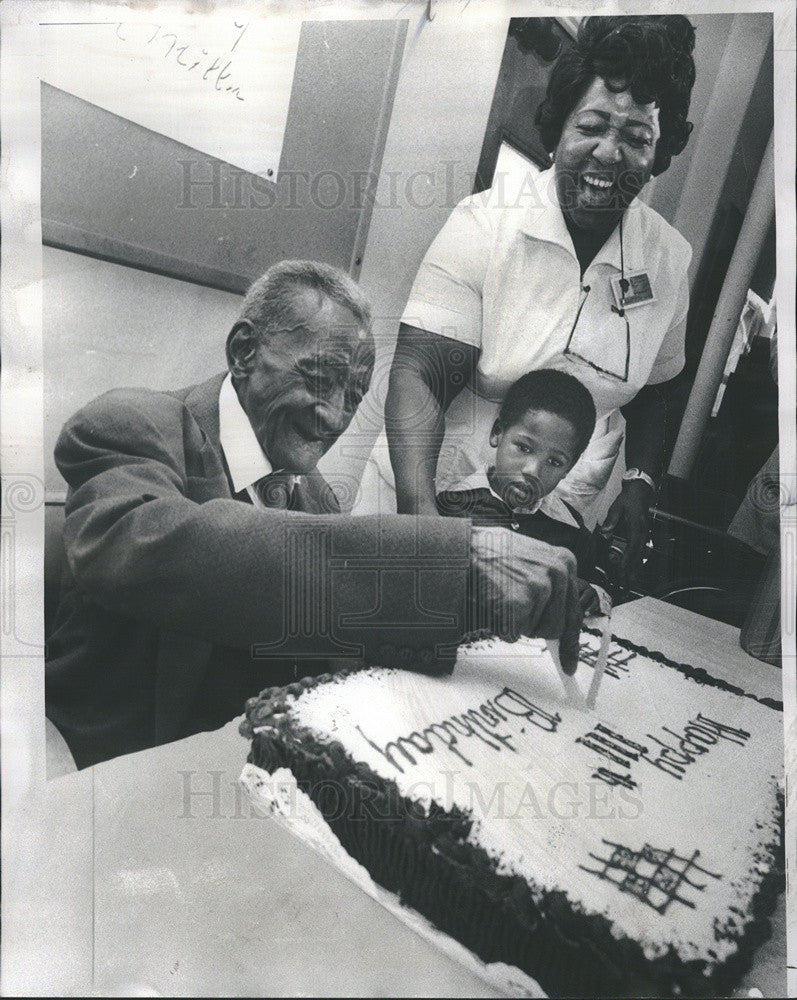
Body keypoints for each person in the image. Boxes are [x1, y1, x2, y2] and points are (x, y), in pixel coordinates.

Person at [46, 260, 583, 769]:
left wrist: (464, 621)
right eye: (320, 379)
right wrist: (444, 567)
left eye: (353, 397)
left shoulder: (317, 498)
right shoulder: (134, 423)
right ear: (244, 350)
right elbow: (144, 547)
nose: (334, 417)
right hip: (114, 778)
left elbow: (329, 640)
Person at [358, 15, 696, 589]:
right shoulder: (486, 223)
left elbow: (659, 388)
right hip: (439, 482)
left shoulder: (669, 260)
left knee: (517, 658)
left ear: (660, 153)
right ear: (560, 125)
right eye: (591, 126)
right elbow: (419, 376)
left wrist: (640, 481)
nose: (609, 154)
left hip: (564, 508)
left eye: (638, 138)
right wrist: (424, 523)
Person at [436, 369, 609, 618]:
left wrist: (590, 593)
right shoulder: (450, 508)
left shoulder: (571, 530)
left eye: (555, 461)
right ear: (497, 433)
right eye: (524, 448)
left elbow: (595, 588)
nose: (533, 470)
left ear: (569, 467)